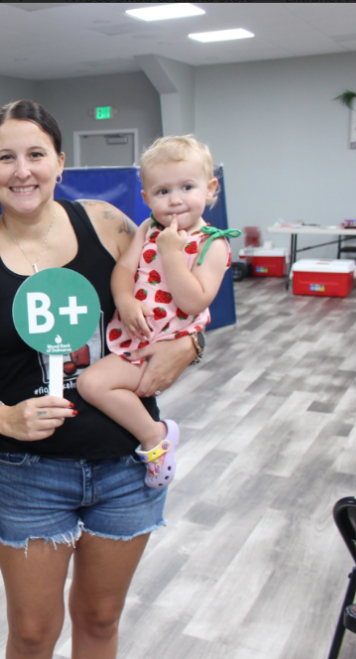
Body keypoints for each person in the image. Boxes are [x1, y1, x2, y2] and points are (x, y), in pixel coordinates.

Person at [0, 100, 199, 659]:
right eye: (6, 157)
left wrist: (191, 347)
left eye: (35, 154)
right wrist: (1, 418)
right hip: (29, 475)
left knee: (101, 619)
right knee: (32, 633)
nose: (21, 170)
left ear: (60, 161)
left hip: (129, 465)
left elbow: (178, 303)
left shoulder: (105, 222)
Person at [78, 135, 232, 489]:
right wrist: (125, 300)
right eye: (162, 192)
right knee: (93, 383)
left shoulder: (214, 243)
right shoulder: (148, 228)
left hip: (164, 342)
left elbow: (195, 302)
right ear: (146, 198)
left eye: (187, 187)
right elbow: (124, 270)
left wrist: (172, 253)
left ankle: (155, 438)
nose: (175, 199)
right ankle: (148, 436)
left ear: (210, 189)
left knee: (91, 384)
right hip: (133, 336)